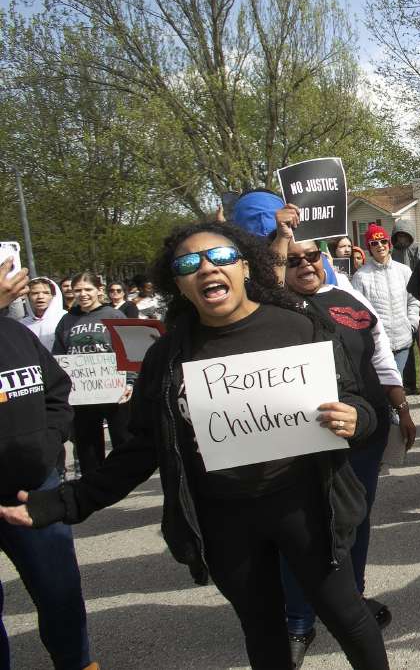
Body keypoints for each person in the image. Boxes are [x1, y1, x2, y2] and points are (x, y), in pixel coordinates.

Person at [0, 221, 390, 668]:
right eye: (189, 263)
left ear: (245, 267)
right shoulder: (168, 357)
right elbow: (141, 447)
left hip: (305, 506)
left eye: (220, 257)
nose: (206, 268)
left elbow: (358, 400)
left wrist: (356, 419)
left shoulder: (301, 326)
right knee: (262, 628)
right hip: (223, 518)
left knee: (346, 615)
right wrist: (65, 503)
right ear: (178, 283)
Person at [276, 236, 417, 665]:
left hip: (363, 436)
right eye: (292, 259)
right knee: (302, 533)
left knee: (354, 520)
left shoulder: (349, 300)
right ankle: (298, 621)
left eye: (311, 256)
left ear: (324, 259)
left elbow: (380, 358)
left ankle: (351, 601)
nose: (304, 265)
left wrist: (402, 408)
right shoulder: (267, 311)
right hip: (300, 444)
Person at [0, 264, 96, 670]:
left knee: (59, 592)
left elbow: (57, 390)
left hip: (35, 487)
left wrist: (49, 439)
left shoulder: (16, 333)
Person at [52, 272, 134, 476]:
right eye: (77, 290)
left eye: (87, 289)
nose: (83, 294)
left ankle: (123, 475)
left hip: (114, 388)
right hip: (82, 393)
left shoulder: (114, 315)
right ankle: (94, 479)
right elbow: (59, 355)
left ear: (99, 290)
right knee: (86, 441)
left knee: (122, 437)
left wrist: (130, 382)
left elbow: (129, 351)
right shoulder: (66, 320)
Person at [351, 224, 420, 392]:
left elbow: (414, 300)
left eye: (383, 241)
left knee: (397, 383)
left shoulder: (404, 271)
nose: (380, 246)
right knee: (384, 387)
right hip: (379, 344)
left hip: (403, 340)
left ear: (389, 244)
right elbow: (357, 311)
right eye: (374, 243)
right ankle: (391, 416)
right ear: (369, 248)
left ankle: (394, 415)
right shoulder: (361, 276)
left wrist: (411, 322)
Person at [19, 276, 66, 352]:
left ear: (53, 296)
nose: (40, 297)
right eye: (35, 293)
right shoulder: (22, 324)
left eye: (46, 293)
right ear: (28, 297)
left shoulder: (65, 319)